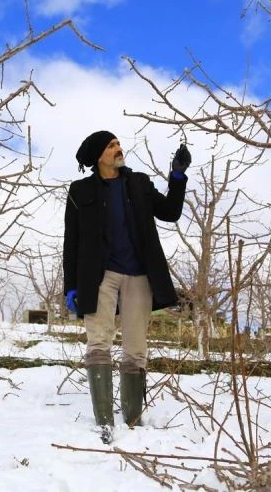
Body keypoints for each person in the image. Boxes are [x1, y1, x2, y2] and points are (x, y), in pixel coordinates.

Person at [63, 129, 190, 443]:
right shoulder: (79, 190)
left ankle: (133, 420)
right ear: (98, 156)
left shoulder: (139, 183)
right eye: (111, 145)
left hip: (138, 274)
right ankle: (104, 421)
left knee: (136, 347)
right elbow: (71, 242)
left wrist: (177, 176)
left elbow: (170, 212)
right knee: (99, 341)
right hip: (99, 275)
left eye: (118, 143)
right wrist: (71, 286)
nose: (118, 148)